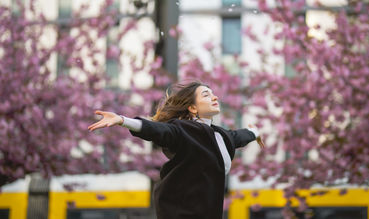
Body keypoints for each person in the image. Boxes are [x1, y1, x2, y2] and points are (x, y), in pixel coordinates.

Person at [87, 81, 265, 219]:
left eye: (213, 94)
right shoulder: (182, 130)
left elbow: (240, 136)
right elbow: (157, 130)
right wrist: (122, 120)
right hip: (180, 213)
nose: (215, 97)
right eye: (206, 95)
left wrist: (255, 132)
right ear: (193, 108)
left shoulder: (221, 136)